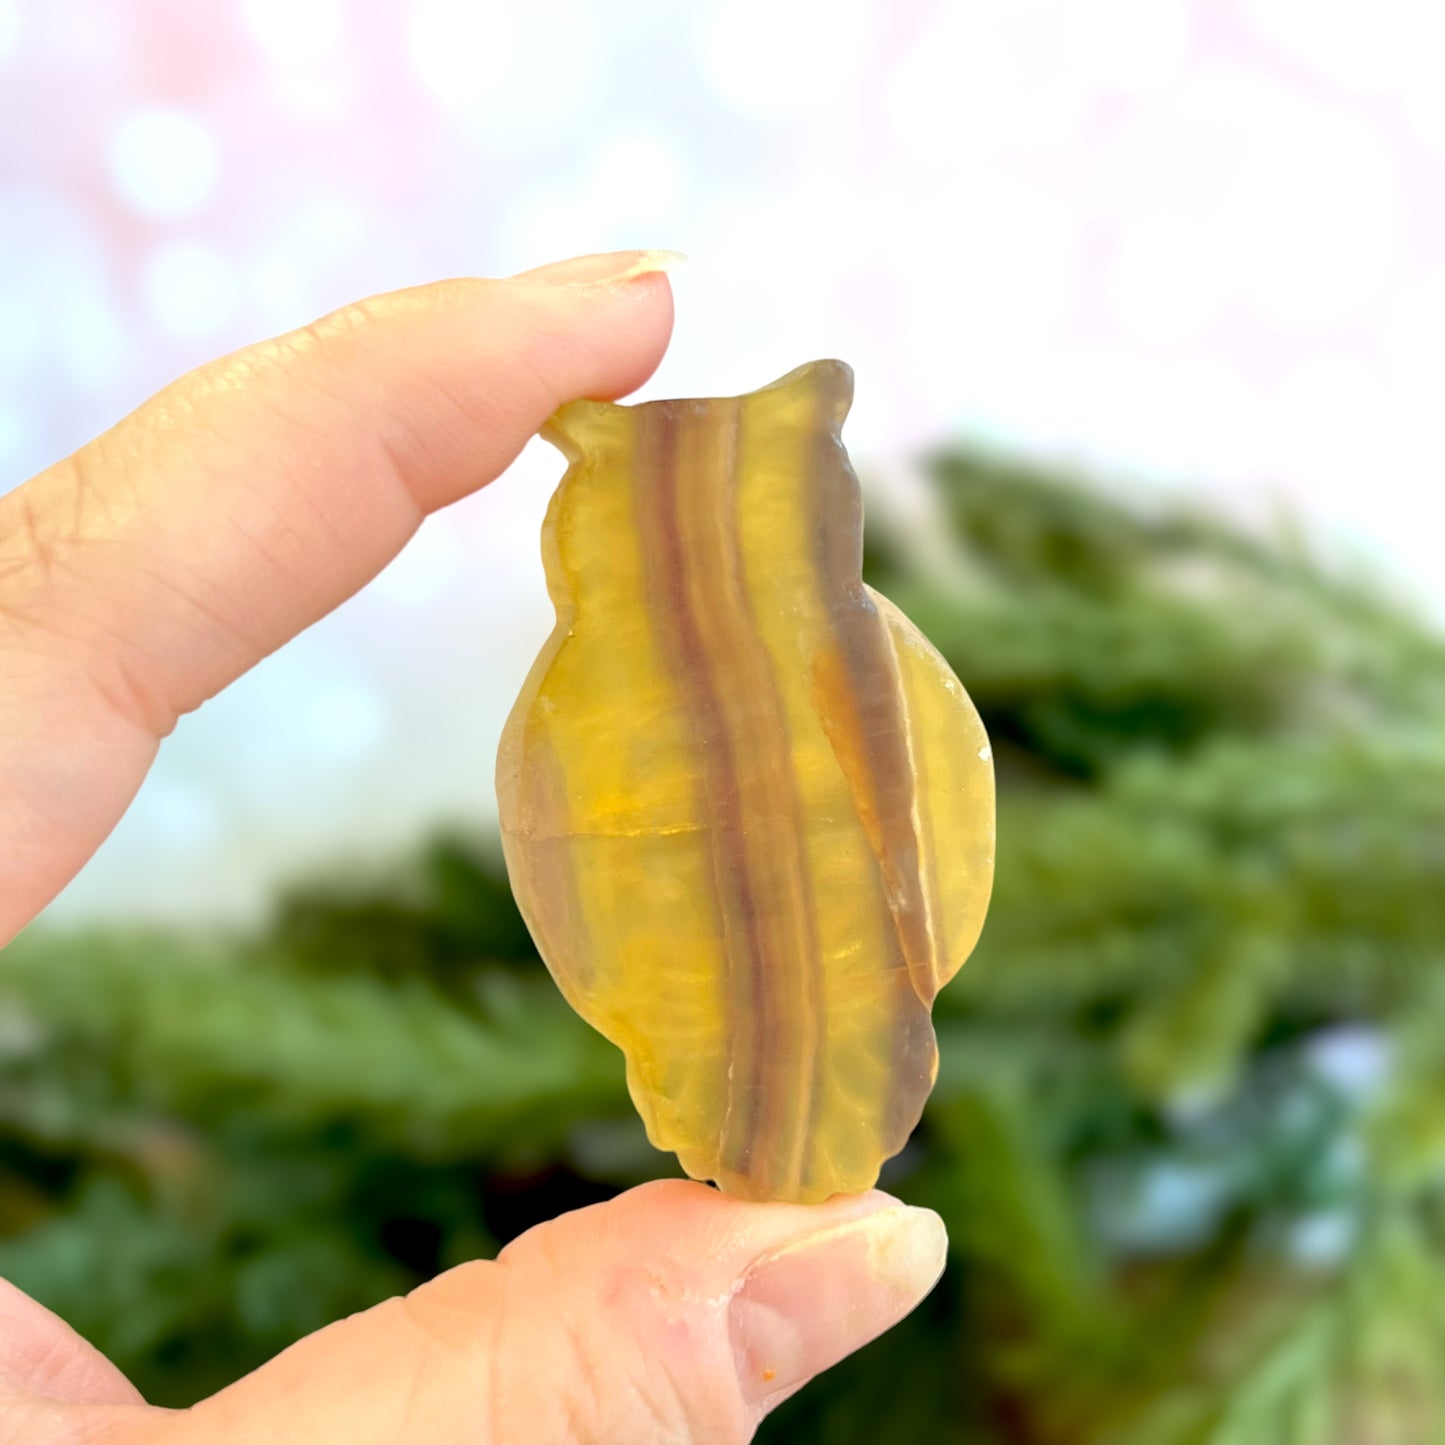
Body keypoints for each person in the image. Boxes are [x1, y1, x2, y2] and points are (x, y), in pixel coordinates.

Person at [0, 250, 947, 1444]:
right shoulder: (597, 706)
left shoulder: (856, 674)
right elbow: (587, 882)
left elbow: (914, 848)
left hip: (827, 1042)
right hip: (712, 1058)